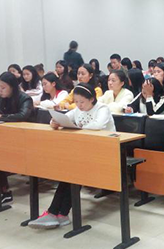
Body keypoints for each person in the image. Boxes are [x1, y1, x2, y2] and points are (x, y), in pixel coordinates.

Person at [28, 83, 115, 229]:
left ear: (92, 99)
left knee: (73, 172)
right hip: (86, 152)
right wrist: (54, 122)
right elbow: (64, 118)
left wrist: (77, 127)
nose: (79, 105)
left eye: (82, 102)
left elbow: (97, 125)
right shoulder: (77, 110)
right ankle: (59, 214)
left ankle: (56, 213)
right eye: (76, 101)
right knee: (71, 173)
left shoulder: (102, 108)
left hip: (105, 152)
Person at [0, 72, 36, 206]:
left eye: (3, 88)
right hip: (7, 138)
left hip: (25, 139)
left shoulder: (25, 98)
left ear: (12, 87)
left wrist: (1, 117)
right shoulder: (2, 99)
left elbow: (23, 115)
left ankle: (4, 193)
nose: (0, 90)